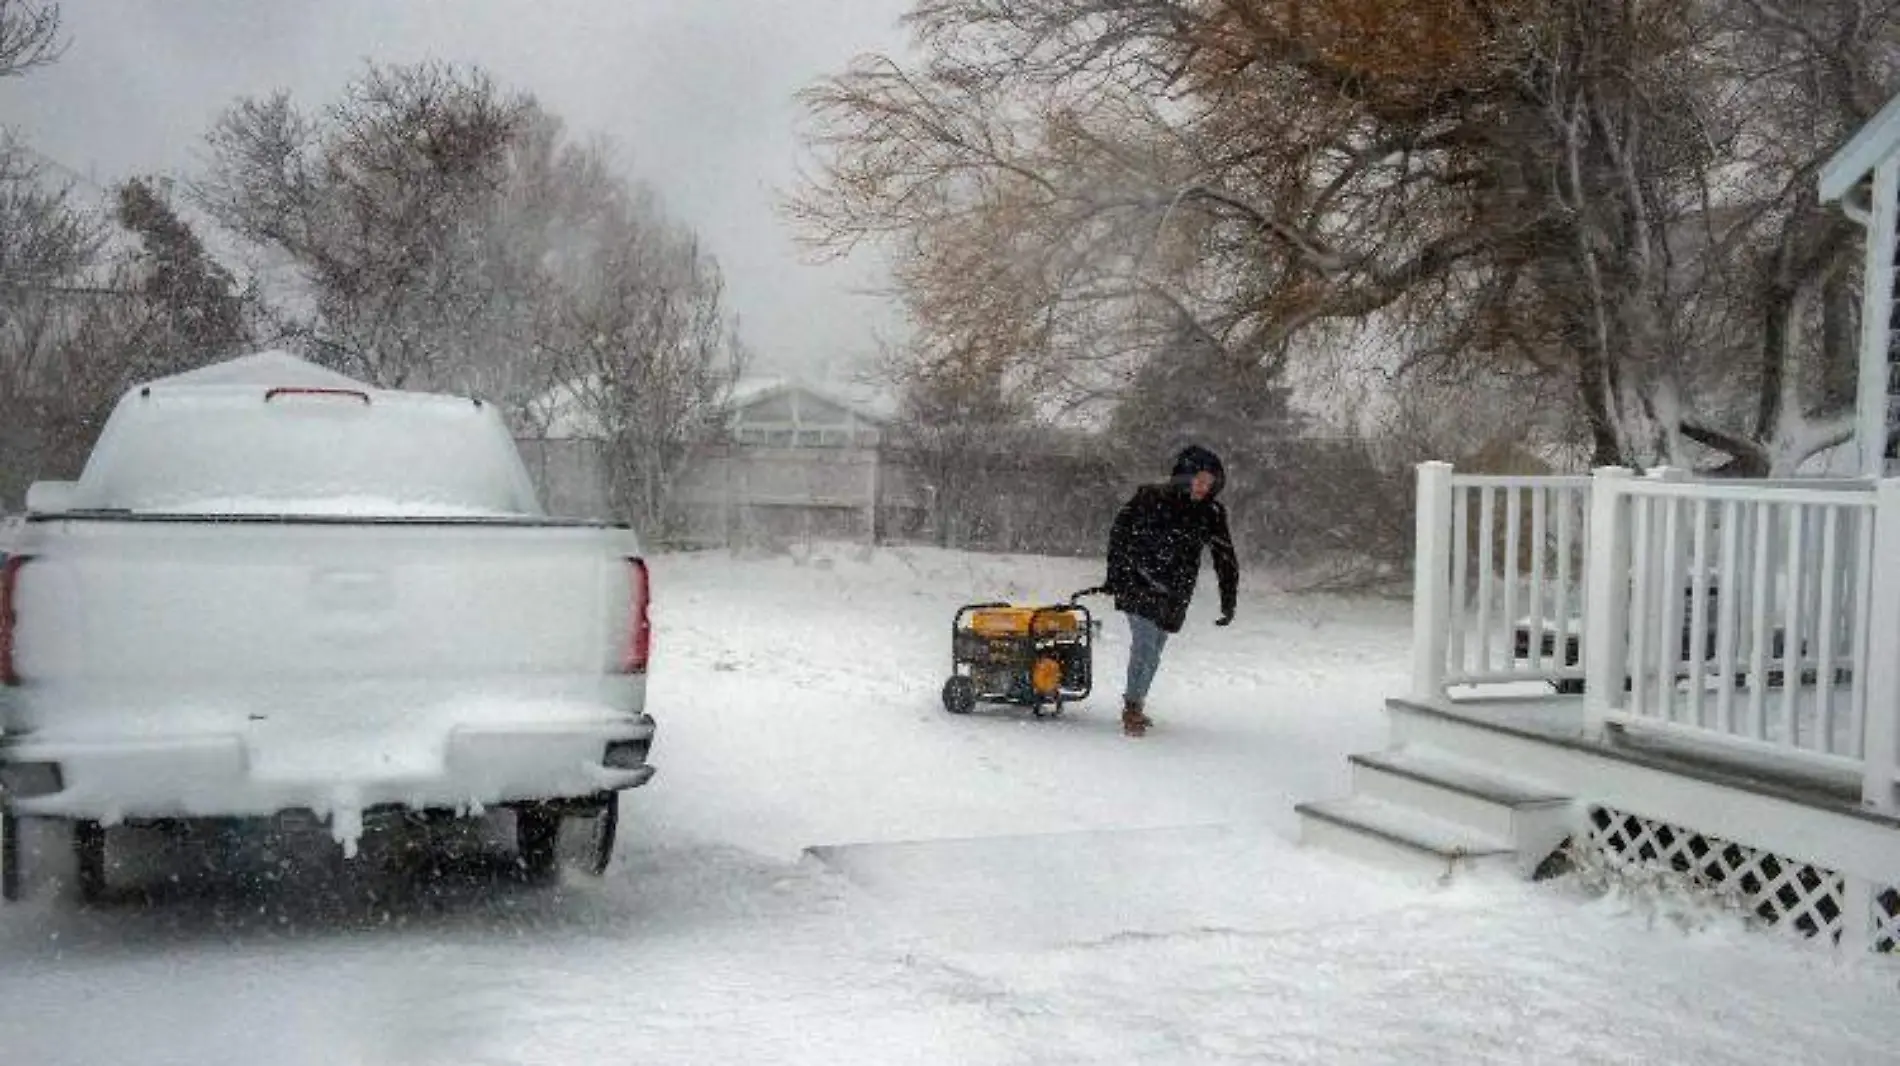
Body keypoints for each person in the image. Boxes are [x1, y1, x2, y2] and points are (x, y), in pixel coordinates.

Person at [1102, 444, 1239, 737]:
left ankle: (1137, 701)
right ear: (1185, 476)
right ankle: (1133, 707)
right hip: (1137, 582)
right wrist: (1115, 577)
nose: (1204, 487)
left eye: (1210, 482)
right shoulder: (1149, 498)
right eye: (1199, 479)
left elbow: (1225, 558)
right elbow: (1119, 535)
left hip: (1174, 592)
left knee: (1155, 650)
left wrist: (1229, 601)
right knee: (1146, 645)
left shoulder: (1211, 513)